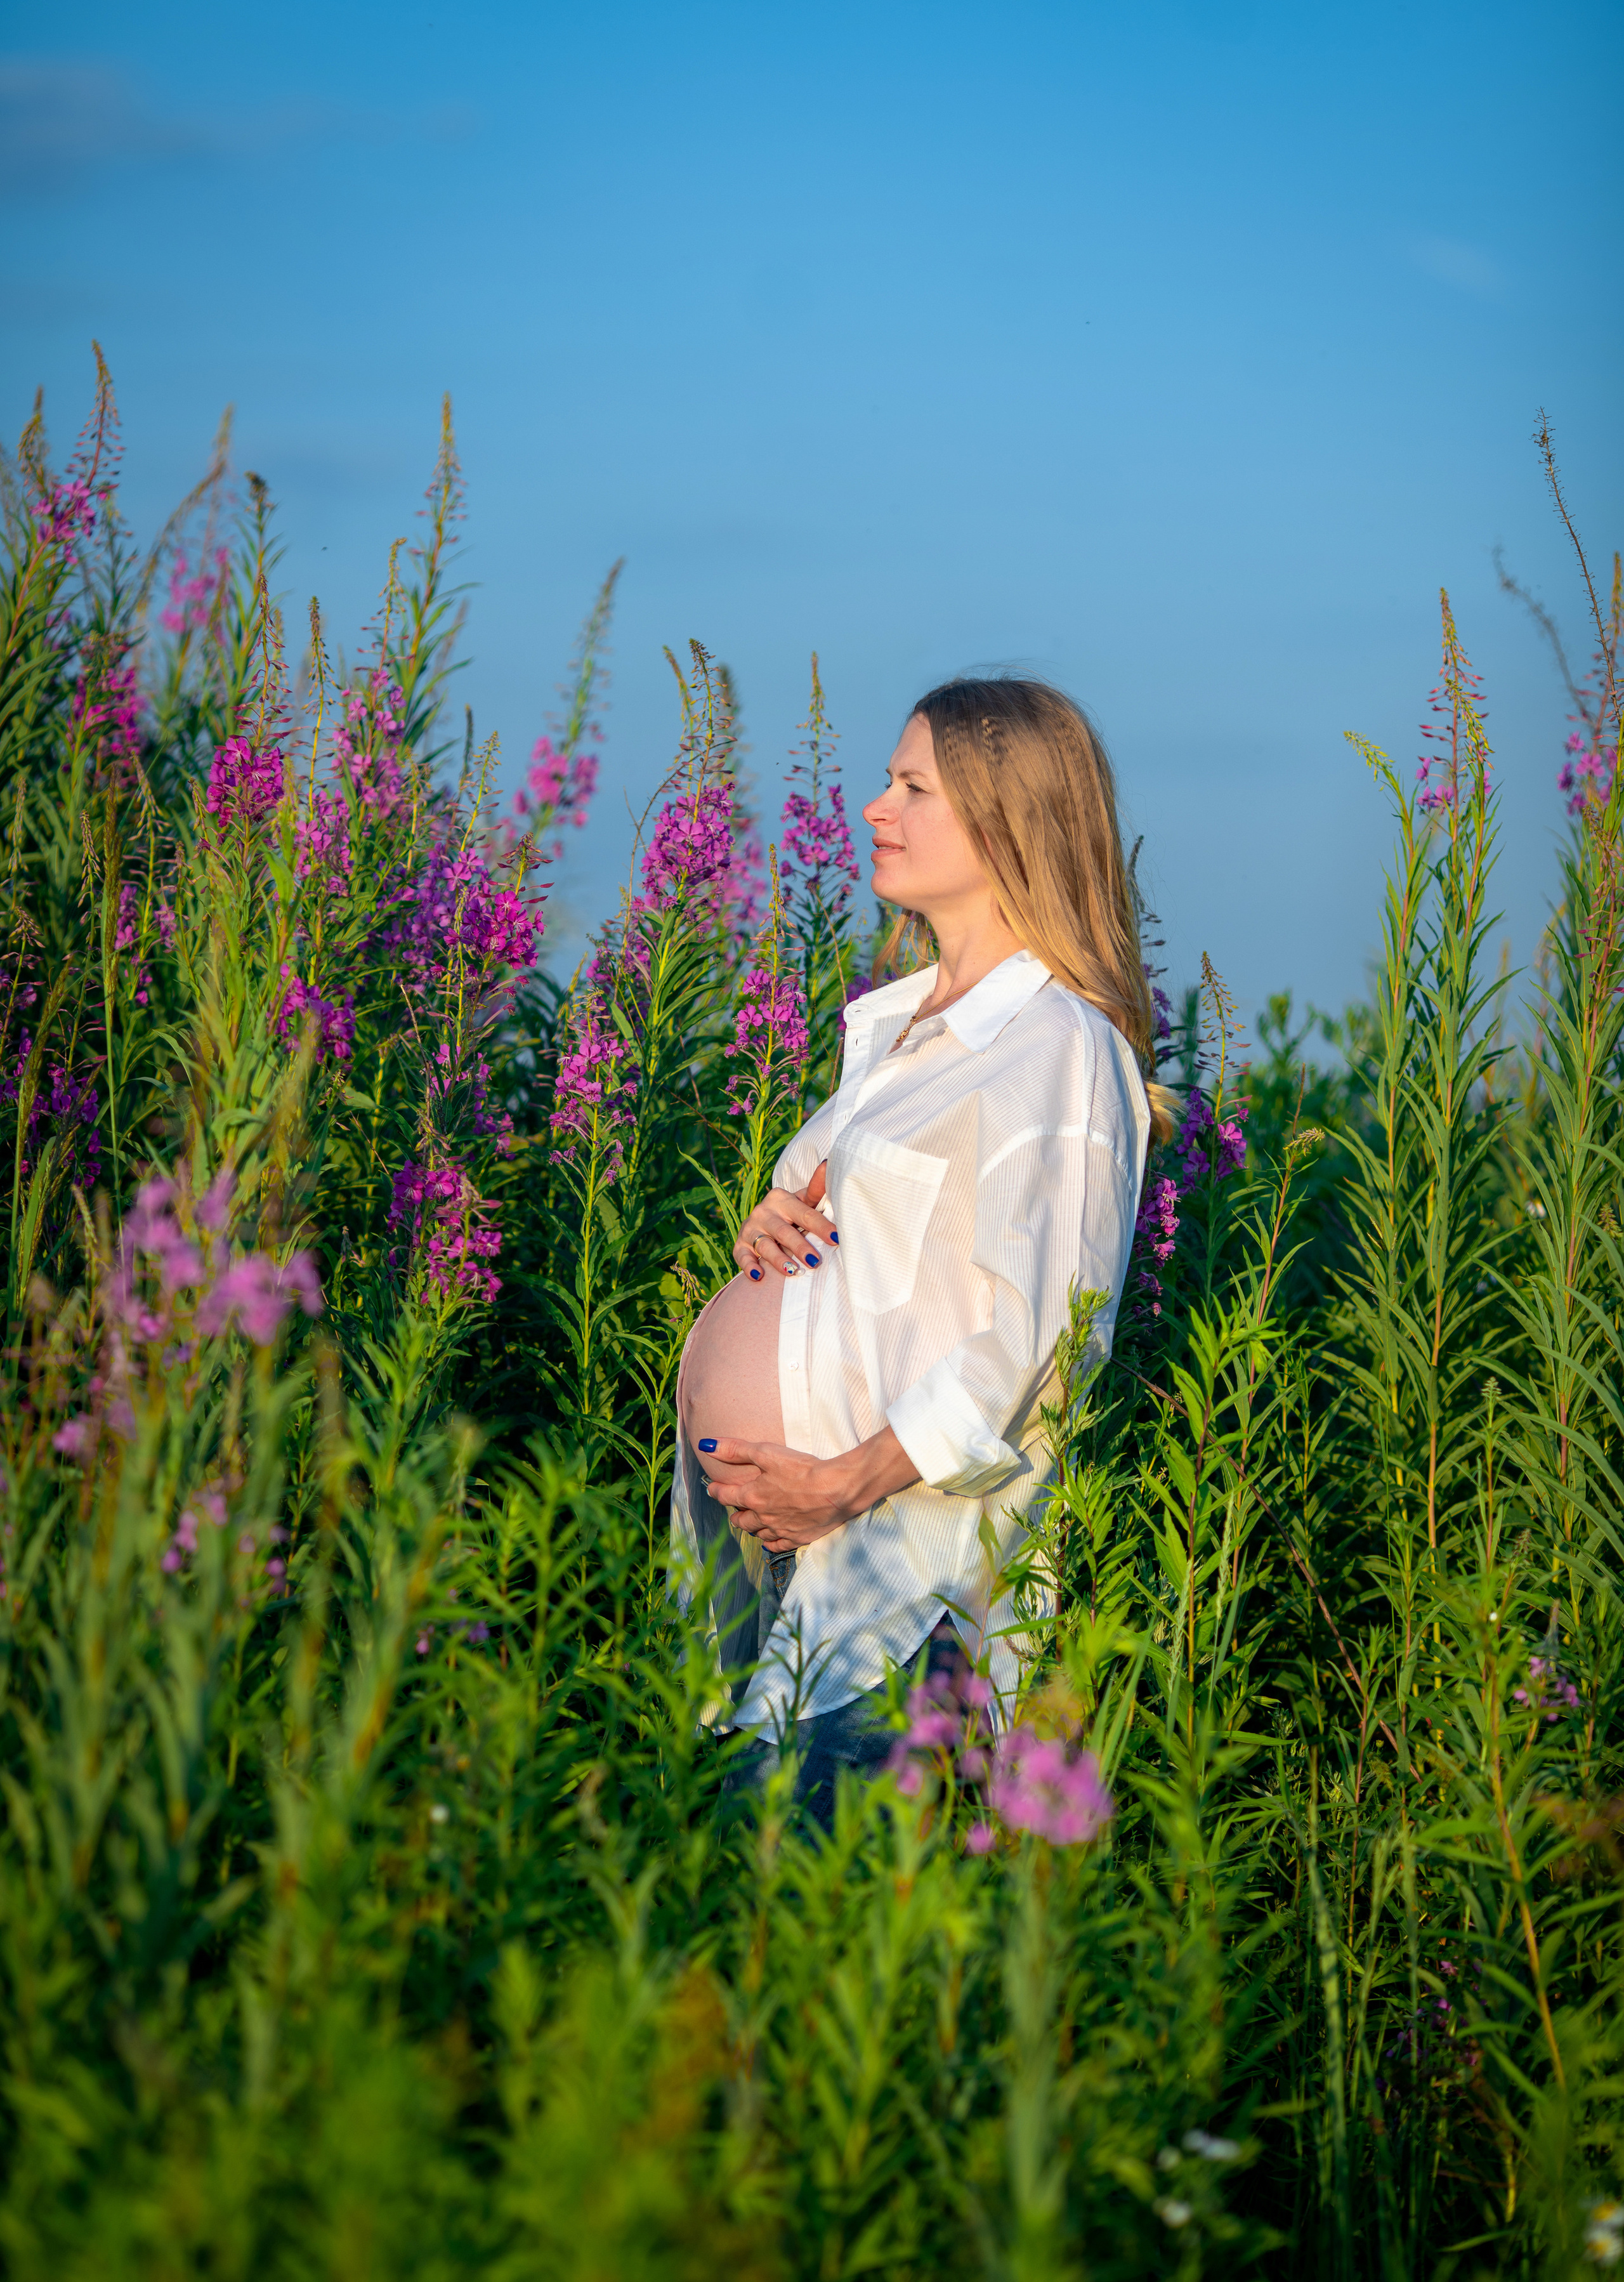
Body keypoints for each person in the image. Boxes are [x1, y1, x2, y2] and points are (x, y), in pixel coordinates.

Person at [671, 676, 1170, 1823]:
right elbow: (875, 1257)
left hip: (905, 1594)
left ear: (1007, 821)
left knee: (805, 1953)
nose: (873, 806)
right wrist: (765, 1233)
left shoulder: (1057, 1044)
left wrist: (844, 1480)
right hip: (793, 1587)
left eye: (913, 786)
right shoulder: (897, 1032)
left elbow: (1040, 1334)